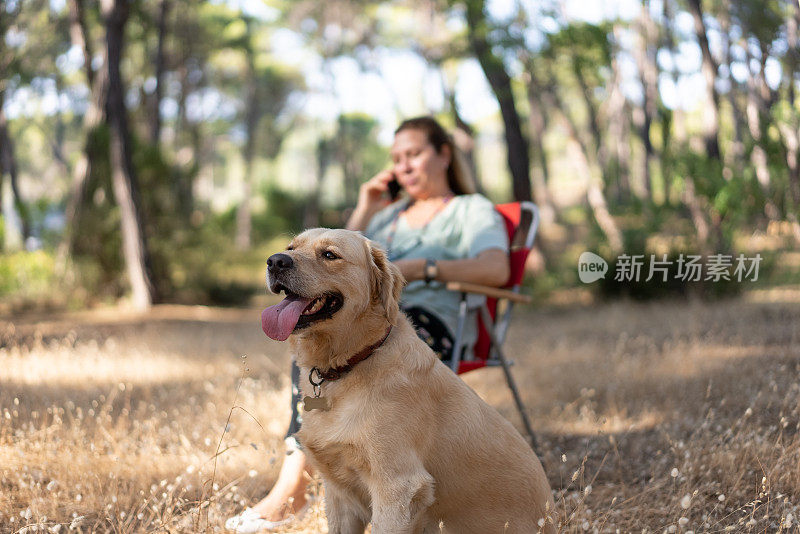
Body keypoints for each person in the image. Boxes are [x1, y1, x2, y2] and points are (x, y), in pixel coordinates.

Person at [225, 116, 510, 533]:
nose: (404, 166)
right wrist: (366, 206)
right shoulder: (389, 216)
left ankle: (294, 486)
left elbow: (496, 266)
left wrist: (423, 268)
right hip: (353, 322)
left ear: (444, 154)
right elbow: (337, 253)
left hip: (425, 324)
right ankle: (303, 478)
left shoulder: (471, 210)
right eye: (396, 159)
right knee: (315, 349)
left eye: (414, 154)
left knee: (335, 356)